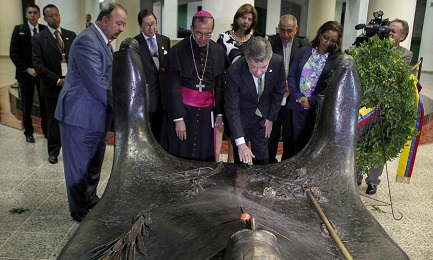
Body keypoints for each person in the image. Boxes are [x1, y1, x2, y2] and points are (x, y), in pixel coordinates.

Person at [54, 3, 127, 222]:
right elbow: (99, 84)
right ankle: (79, 210)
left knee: (93, 164)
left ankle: (89, 199)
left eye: (123, 24)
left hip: (96, 118)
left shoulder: (103, 42)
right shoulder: (87, 41)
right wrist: (126, 107)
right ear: (104, 20)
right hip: (80, 117)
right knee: (79, 167)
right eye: (119, 23)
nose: (122, 28)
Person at [161, 10, 228, 162]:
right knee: (180, 153)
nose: (203, 38)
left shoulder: (218, 51)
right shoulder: (178, 51)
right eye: (198, 33)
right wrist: (178, 118)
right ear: (191, 29)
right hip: (183, 111)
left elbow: (219, 85)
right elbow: (172, 86)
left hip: (207, 114)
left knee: (204, 154)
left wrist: (219, 113)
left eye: (208, 34)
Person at [358, 18, 413, 195]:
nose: (389, 33)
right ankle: (354, 175)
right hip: (366, 105)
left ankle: (373, 181)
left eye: (393, 31)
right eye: (388, 30)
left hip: (386, 108)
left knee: (378, 144)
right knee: (359, 140)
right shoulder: (373, 47)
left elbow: (393, 74)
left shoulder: (406, 54)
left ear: (402, 37)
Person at [225, 36, 286, 165]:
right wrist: (241, 144)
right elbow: (232, 108)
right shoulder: (234, 72)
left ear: (269, 59)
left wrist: (270, 117)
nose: (258, 72)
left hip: (262, 117)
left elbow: (279, 91)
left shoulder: (277, 62)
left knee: (262, 158)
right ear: (247, 59)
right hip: (241, 118)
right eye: (253, 67)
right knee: (241, 159)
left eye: (263, 67)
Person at [288, 21, 343, 155]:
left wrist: (311, 101)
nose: (327, 42)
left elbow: (332, 86)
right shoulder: (304, 51)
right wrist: (298, 97)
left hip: (315, 109)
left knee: (308, 147)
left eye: (332, 40)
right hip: (296, 104)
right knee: (291, 145)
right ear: (320, 34)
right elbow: (292, 75)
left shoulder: (336, 60)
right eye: (326, 37)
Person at [32, 4, 76, 164]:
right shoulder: (39, 39)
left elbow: (77, 60)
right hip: (52, 87)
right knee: (53, 120)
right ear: (45, 18)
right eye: (50, 16)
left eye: (56, 15)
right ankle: (53, 151)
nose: (55, 18)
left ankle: (72, 149)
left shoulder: (70, 36)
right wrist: (58, 81)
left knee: (71, 120)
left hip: (71, 86)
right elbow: (38, 65)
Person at [216, 3, 258, 162]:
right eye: (243, 17)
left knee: (243, 128)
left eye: (249, 19)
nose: (246, 21)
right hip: (228, 88)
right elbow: (219, 66)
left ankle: (239, 164)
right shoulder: (224, 38)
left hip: (247, 92)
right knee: (229, 126)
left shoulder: (255, 40)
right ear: (237, 18)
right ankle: (227, 164)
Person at [268, 14, 308, 163]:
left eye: (289, 31)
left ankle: (287, 164)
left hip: (294, 97)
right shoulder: (270, 43)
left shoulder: (304, 45)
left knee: (290, 134)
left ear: (296, 29)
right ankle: (269, 164)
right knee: (271, 133)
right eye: (282, 30)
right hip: (274, 96)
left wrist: (291, 87)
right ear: (278, 29)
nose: (285, 34)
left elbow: (306, 73)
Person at [9, 4, 47, 143]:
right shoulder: (19, 30)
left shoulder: (44, 30)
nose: (32, 15)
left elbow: (47, 52)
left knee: (44, 104)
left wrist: (41, 69)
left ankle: (46, 130)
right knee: (27, 104)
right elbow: (13, 53)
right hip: (25, 75)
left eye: (35, 12)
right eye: (30, 12)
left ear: (39, 15)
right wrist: (27, 69)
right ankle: (28, 132)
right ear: (26, 14)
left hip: (41, 74)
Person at [134, 9, 170, 143]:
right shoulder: (135, 43)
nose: (151, 27)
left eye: (153, 23)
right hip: (146, 96)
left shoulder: (164, 40)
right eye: (147, 25)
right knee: (147, 133)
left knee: (162, 132)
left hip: (163, 95)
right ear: (140, 26)